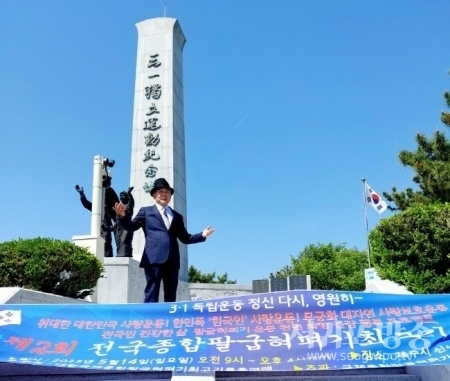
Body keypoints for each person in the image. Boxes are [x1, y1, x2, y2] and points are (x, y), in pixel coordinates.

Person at [114, 178, 214, 303]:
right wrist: (122, 217)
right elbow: (131, 227)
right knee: (152, 292)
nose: (164, 194)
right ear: (154, 194)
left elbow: (185, 238)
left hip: (172, 260)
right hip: (153, 258)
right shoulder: (146, 211)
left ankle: (169, 320)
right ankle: (150, 320)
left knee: (171, 295)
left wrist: (202, 235)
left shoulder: (177, 216)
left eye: (167, 192)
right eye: (161, 191)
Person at [75, 175, 119, 257]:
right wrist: (81, 194)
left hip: (107, 222)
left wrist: (117, 223)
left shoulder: (110, 191)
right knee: (99, 242)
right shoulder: (97, 193)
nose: (109, 183)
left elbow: (117, 205)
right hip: (98, 223)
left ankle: (107, 259)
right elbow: (88, 205)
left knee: (107, 241)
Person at [114, 187, 135, 257]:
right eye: (120, 196)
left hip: (127, 226)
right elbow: (117, 219)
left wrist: (129, 193)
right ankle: (120, 256)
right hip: (118, 228)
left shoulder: (128, 206)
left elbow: (131, 201)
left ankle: (125, 255)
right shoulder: (119, 207)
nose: (121, 197)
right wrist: (114, 226)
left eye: (123, 195)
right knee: (118, 243)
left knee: (125, 240)